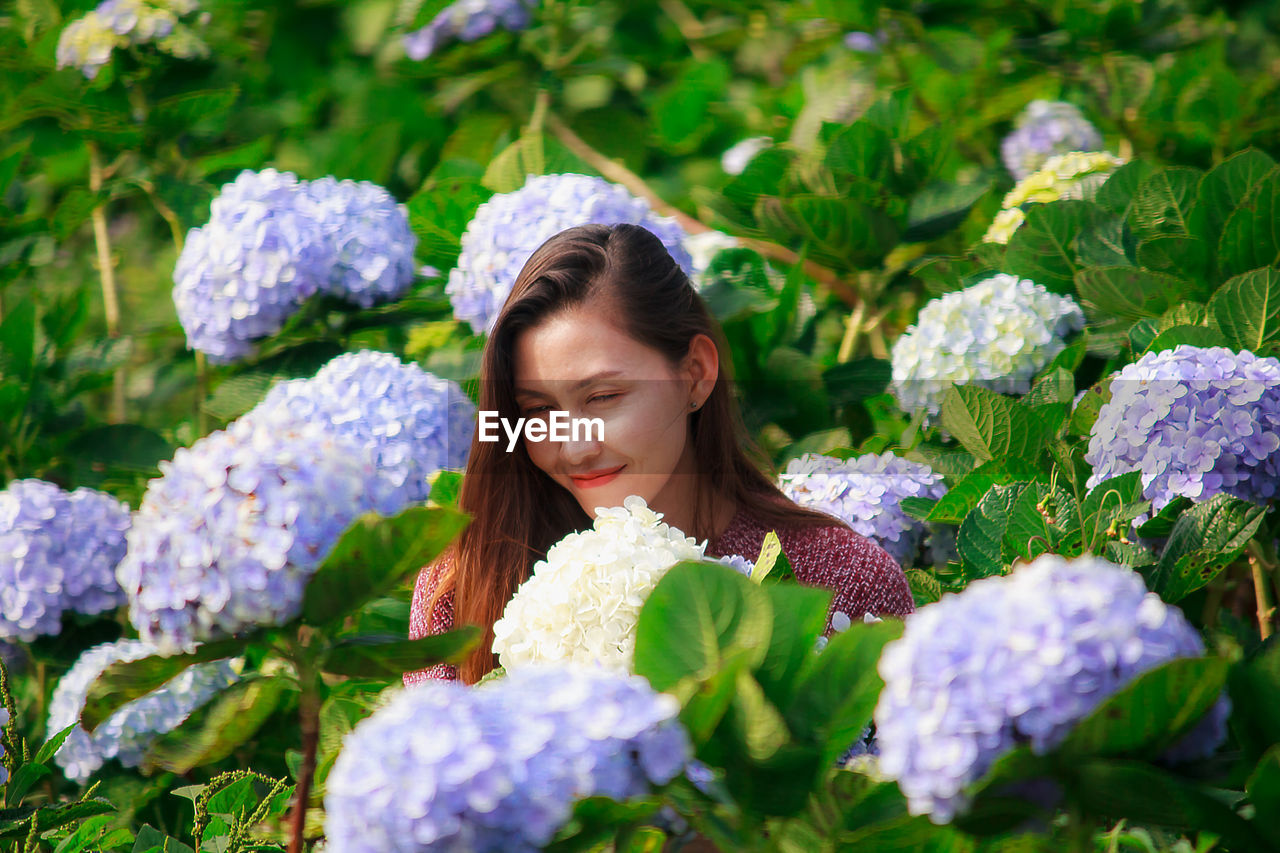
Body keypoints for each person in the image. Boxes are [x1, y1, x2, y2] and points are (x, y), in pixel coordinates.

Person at [405, 223, 913, 685]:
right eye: (538, 410)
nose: (575, 447)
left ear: (695, 373)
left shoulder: (840, 577)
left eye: (603, 398)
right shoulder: (462, 586)